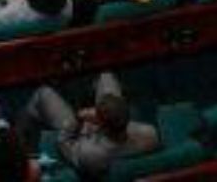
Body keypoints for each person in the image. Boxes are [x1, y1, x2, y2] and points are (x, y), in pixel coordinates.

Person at [14, 71, 158, 178]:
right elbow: (123, 124)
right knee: (105, 76)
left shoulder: (89, 155)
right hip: (112, 131)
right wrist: (108, 116)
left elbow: (63, 143)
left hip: (81, 136)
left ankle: (24, 144)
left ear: (99, 122)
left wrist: (77, 119)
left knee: (43, 93)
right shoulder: (150, 134)